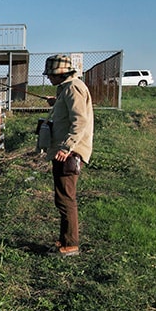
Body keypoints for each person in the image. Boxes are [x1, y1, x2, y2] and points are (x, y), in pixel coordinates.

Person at [42, 54, 94, 256]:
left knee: (66, 199)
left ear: (60, 73)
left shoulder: (73, 88)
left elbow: (80, 121)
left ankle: (71, 244)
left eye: (51, 75)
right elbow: (71, 109)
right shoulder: (68, 89)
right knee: (62, 197)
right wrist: (57, 102)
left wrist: (66, 147)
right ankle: (65, 239)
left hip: (69, 153)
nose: (48, 78)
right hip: (65, 150)